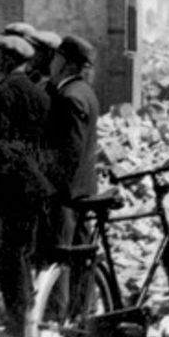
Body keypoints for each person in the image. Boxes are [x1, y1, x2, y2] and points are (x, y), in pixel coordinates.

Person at [0, 34, 52, 337]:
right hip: (32, 185)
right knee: (21, 253)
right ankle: (27, 319)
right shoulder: (40, 96)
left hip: (4, 187)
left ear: (6, 60)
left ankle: (17, 325)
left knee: (4, 254)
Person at [42, 35, 100, 318]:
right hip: (85, 188)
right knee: (82, 252)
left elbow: (70, 151)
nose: (52, 64)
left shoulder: (68, 97)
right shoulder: (85, 92)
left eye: (55, 58)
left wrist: (50, 183)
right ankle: (83, 308)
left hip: (67, 192)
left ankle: (58, 312)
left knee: (62, 253)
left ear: (64, 62)